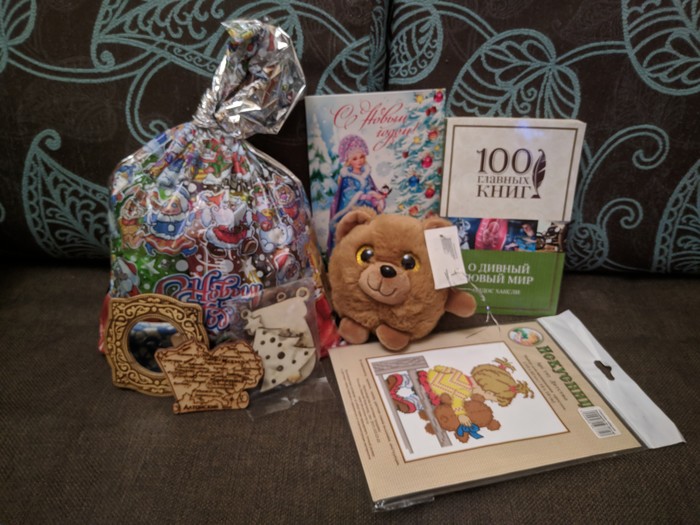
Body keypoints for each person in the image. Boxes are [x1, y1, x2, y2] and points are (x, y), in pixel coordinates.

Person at [327, 134, 383, 252]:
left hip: (368, 208)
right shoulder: (348, 177)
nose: (359, 161)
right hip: (353, 210)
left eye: (361, 157)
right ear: (348, 160)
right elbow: (348, 195)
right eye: (355, 158)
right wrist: (366, 196)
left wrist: (376, 197)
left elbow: (370, 188)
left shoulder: (366, 174)